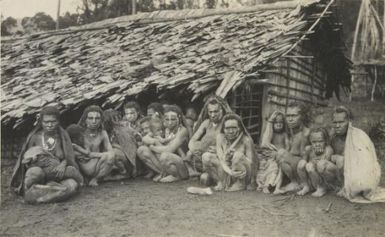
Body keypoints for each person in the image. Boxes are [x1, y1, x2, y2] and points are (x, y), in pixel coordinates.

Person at [10, 106, 81, 204]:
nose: (50, 125)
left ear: (58, 121)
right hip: (40, 176)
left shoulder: (62, 137)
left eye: (53, 121)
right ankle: (53, 191)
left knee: (73, 186)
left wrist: (63, 164)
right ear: (41, 122)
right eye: (46, 122)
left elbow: (68, 157)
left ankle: (39, 196)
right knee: (34, 172)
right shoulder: (35, 137)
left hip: (58, 176)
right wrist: (32, 160)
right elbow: (25, 160)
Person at [329, 106, 385, 203]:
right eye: (335, 122)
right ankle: (339, 186)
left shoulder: (359, 136)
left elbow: (366, 160)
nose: (337, 125)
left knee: (341, 160)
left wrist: (343, 159)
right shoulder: (333, 137)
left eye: (341, 122)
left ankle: (349, 188)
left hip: (358, 173)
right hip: (341, 174)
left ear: (349, 122)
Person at [202, 113, 256, 191]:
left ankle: (240, 184)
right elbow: (221, 160)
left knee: (238, 155)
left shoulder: (246, 140)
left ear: (239, 128)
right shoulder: (220, 138)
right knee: (206, 157)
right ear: (223, 129)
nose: (230, 131)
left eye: (234, 128)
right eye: (227, 128)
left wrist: (237, 157)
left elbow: (251, 163)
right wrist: (230, 169)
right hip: (227, 170)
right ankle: (221, 182)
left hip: (242, 174)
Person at [188, 95, 233, 184]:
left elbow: (234, 144)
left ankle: (224, 181)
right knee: (204, 179)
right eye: (210, 112)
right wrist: (193, 149)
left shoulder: (227, 124)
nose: (212, 115)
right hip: (208, 161)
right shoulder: (206, 123)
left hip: (222, 160)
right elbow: (193, 139)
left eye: (215, 111)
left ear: (221, 110)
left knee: (207, 157)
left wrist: (218, 150)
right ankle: (218, 179)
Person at [140, 105, 190, 183]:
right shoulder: (165, 128)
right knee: (141, 150)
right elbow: (145, 138)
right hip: (167, 161)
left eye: (173, 119)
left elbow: (169, 149)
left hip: (182, 166)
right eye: (167, 119)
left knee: (165, 155)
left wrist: (153, 147)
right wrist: (153, 141)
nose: (169, 122)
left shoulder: (183, 131)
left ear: (179, 118)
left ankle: (176, 176)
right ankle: (164, 173)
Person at [76, 105, 116, 186]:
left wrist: (110, 154)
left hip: (98, 164)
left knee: (112, 155)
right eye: (90, 118)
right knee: (108, 156)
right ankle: (83, 179)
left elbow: (109, 148)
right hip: (84, 166)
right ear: (85, 119)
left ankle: (96, 179)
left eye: (97, 118)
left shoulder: (102, 133)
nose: (94, 121)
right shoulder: (79, 132)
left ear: (101, 120)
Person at [276, 102, 310, 193]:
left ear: (302, 116)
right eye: (288, 116)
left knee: (281, 153)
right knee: (280, 154)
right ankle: (293, 182)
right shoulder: (290, 131)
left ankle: (302, 183)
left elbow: (306, 157)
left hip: (304, 169)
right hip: (293, 165)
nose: (290, 119)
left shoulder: (306, 133)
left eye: (294, 116)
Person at [257, 111, 289, 194]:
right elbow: (266, 145)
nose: (278, 124)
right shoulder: (271, 134)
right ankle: (266, 185)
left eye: (281, 122)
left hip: (281, 157)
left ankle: (277, 188)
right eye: (276, 122)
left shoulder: (284, 135)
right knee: (272, 168)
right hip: (272, 158)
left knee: (281, 169)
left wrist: (283, 153)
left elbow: (288, 146)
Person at [296, 128, 334, 197]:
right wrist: (306, 153)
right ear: (310, 141)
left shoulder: (328, 149)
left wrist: (318, 155)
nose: (317, 144)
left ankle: (321, 188)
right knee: (301, 163)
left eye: (320, 141)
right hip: (312, 178)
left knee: (310, 166)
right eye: (314, 142)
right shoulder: (309, 149)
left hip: (324, 180)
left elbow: (322, 167)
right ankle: (307, 186)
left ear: (325, 141)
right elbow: (304, 160)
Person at [103, 109, 138, 178]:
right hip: (119, 152)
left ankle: (125, 172)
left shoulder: (123, 128)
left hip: (128, 156)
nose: (117, 121)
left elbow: (131, 143)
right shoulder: (105, 131)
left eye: (117, 118)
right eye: (114, 119)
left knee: (114, 153)